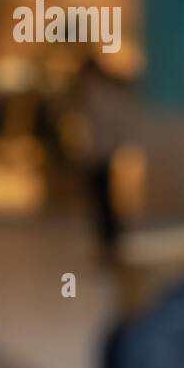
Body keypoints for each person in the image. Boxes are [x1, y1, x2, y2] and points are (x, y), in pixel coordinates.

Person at [62, 56, 136, 260]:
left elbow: (104, 127)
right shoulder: (89, 96)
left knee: (104, 200)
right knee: (101, 201)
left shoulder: (98, 96)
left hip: (100, 154)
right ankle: (109, 242)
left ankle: (113, 241)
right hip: (97, 153)